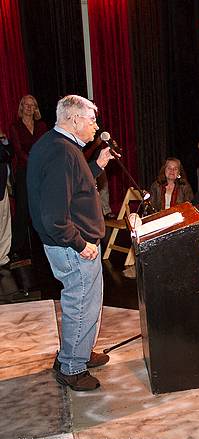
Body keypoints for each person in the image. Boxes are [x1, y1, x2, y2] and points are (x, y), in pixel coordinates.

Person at [27, 95, 114, 391]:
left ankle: (79, 351)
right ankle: (72, 368)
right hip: (73, 246)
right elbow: (54, 215)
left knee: (88, 302)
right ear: (75, 119)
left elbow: (75, 185)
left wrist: (98, 165)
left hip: (74, 242)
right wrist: (80, 243)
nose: (96, 126)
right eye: (92, 120)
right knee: (80, 303)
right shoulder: (62, 152)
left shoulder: (59, 146)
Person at [9, 95, 48, 260]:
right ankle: (16, 248)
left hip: (42, 172)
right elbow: (18, 151)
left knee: (43, 208)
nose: (29, 108)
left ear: (36, 108)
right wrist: (34, 164)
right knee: (22, 210)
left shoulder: (42, 126)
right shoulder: (15, 127)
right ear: (21, 107)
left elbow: (47, 147)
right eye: (26, 105)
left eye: (32, 105)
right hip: (24, 171)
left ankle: (48, 243)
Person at [0, 129, 11, 266]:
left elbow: (10, 153)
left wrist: (4, 140)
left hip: (2, 184)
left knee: (5, 220)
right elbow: (3, 155)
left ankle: (2, 256)